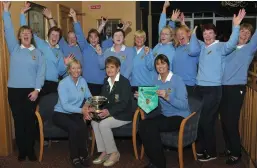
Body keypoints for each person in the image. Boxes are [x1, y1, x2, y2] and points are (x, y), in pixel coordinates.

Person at [194, 9, 246, 162]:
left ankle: (211, 152)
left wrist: (236, 26)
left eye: (210, 32)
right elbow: (190, 41)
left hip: (213, 89)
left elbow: (231, 45)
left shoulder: (221, 46)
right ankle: (203, 148)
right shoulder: (203, 47)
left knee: (207, 121)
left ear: (215, 34)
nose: (207, 35)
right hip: (200, 88)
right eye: (205, 33)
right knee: (201, 120)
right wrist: (183, 24)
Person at [2, 1, 45, 161]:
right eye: (23, 33)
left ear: (32, 36)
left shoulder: (38, 53)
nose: (26, 35)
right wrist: (6, 10)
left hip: (31, 91)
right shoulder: (14, 48)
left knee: (30, 122)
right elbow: (8, 29)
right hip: (14, 91)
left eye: (29, 33)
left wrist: (37, 90)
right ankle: (22, 150)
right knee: (19, 122)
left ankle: (30, 151)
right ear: (20, 36)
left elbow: (41, 73)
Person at [138, 54, 190, 168]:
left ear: (168, 65)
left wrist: (167, 97)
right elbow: (153, 103)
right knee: (143, 124)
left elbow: (184, 105)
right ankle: (154, 159)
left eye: (163, 63)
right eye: (157, 64)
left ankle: (159, 164)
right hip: (165, 115)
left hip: (179, 116)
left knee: (151, 126)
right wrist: (142, 98)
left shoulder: (177, 79)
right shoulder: (156, 80)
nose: (160, 66)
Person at [220, 23, 257, 165]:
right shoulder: (229, 47)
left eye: (248, 32)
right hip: (223, 87)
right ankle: (229, 148)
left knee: (231, 121)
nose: (245, 34)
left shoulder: (249, 49)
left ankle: (236, 153)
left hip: (237, 88)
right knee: (224, 121)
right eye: (243, 31)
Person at [85, 56, 133, 167]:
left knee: (103, 124)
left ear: (118, 68)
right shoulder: (106, 81)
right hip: (110, 113)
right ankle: (105, 152)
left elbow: (124, 104)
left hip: (123, 115)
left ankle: (114, 153)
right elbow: (103, 99)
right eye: (107, 67)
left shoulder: (124, 82)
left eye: (112, 67)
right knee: (94, 122)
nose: (109, 69)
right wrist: (94, 108)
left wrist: (108, 112)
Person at [20, 2, 73, 96]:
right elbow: (26, 32)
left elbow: (60, 72)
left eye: (57, 35)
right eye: (52, 34)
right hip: (39, 83)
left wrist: (65, 64)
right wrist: (22, 14)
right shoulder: (41, 44)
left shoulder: (60, 52)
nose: (54, 37)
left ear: (59, 38)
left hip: (53, 85)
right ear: (48, 36)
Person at [53, 59, 92, 168]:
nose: (76, 70)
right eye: (73, 68)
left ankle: (83, 155)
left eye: (78, 68)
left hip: (75, 113)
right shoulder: (63, 83)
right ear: (69, 70)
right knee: (74, 127)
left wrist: (85, 105)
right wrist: (82, 110)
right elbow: (65, 106)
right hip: (60, 113)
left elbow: (89, 97)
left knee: (83, 127)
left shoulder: (83, 81)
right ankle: (75, 157)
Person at [69, 8, 109, 96]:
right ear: (88, 39)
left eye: (95, 37)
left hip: (101, 84)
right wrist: (74, 18)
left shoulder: (104, 47)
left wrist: (100, 54)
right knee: (88, 107)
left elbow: (117, 39)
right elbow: (79, 34)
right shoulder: (85, 47)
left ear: (99, 38)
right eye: (91, 37)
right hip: (86, 83)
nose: (93, 39)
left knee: (99, 108)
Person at [168, 13, 200, 95]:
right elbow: (168, 34)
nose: (180, 36)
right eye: (178, 35)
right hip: (176, 84)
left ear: (189, 34)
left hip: (189, 85)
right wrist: (172, 21)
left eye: (182, 34)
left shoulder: (194, 46)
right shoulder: (177, 48)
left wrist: (193, 35)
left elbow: (192, 50)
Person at [145, 1, 176, 77]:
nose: (163, 36)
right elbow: (150, 66)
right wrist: (148, 54)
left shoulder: (172, 50)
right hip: (153, 82)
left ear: (171, 36)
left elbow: (169, 70)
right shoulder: (158, 46)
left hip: (164, 83)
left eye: (166, 34)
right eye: (162, 34)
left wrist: (171, 21)